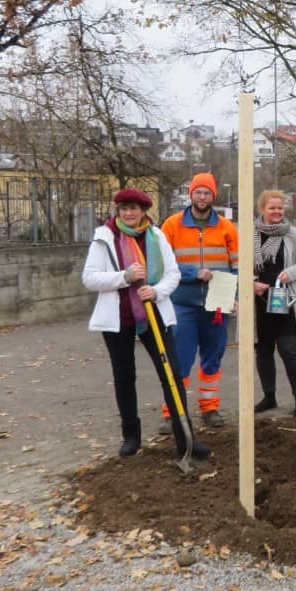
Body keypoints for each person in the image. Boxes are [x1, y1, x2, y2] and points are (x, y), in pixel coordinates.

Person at [82, 188, 210, 461]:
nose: (129, 213)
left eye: (134, 209)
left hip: (154, 315)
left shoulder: (156, 235)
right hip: (119, 320)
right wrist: (124, 277)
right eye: (124, 208)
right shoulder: (104, 238)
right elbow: (90, 278)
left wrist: (157, 291)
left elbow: (173, 273)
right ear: (118, 210)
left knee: (172, 375)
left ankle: (184, 438)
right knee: (125, 376)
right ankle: (131, 436)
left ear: (143, 212)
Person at [160, 172, 239, 429]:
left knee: (213, 356)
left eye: (207, 193)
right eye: (198, 192)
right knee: (180, 359)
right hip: (183, 303)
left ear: (213, 196)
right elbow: (162, 265)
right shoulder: (172, 225)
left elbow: (237, 265)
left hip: (217, 304)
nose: (202, 197)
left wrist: (234, 296)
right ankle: (173, 412)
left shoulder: (227, 227)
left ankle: (210, 408)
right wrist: (194, 274)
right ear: (191, 195)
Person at [252, 189, 296, 417]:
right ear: (262, 209)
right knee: (263, 351)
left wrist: (289, 273)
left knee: (289, 349)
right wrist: (252, 283)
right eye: (272, 208)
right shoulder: (250, 234)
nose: (276, 212)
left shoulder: (293, 234)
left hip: (286, 300)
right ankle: (269, 397)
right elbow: (240, 265)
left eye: (280, 208)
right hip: (259, 301)